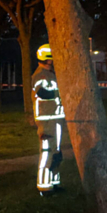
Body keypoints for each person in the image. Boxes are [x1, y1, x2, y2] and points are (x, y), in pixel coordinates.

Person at [31, 44, 65, 195]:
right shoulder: (40, 75)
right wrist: (61, 94)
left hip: (56, 117)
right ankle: (44, 187)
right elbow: (43, 93)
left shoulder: (51, 74)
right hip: (46, 119)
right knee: (47, 152)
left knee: (56, 153)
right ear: (47, 59)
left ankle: (54, 183)